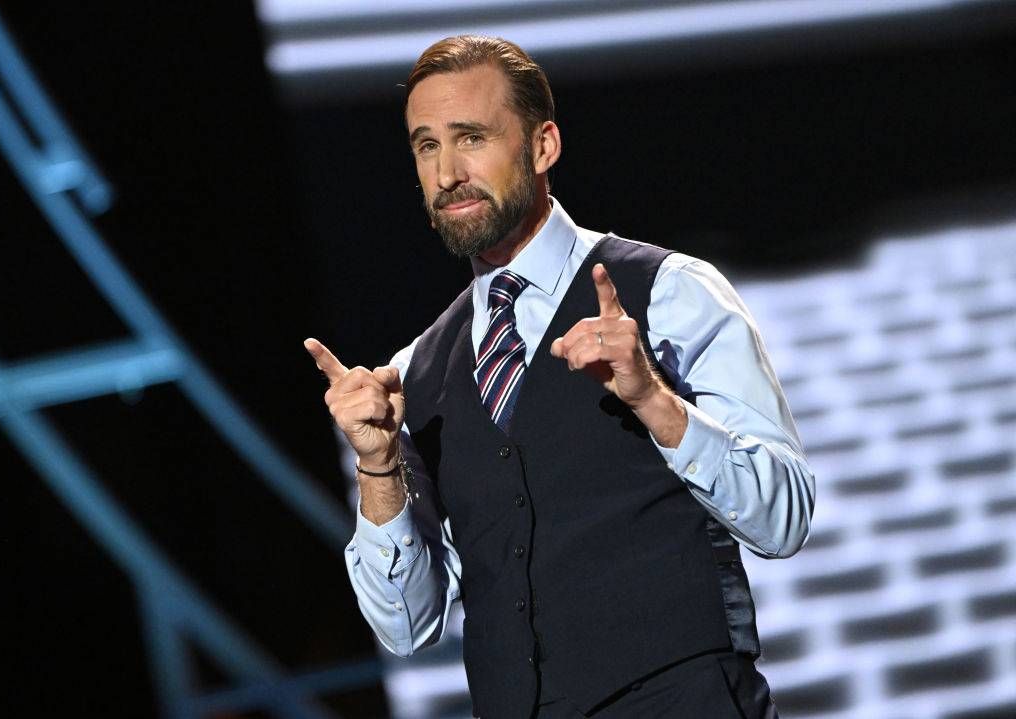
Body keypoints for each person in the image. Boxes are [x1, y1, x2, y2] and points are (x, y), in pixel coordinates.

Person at [305, 35, 814, 718]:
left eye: (471, 138)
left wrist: (653, 400)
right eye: (426, 146)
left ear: (543, 146)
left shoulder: (670, 292)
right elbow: (406, 627)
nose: (447, 171)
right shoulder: (415, 371)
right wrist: (377, 469)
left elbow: (782, 517)